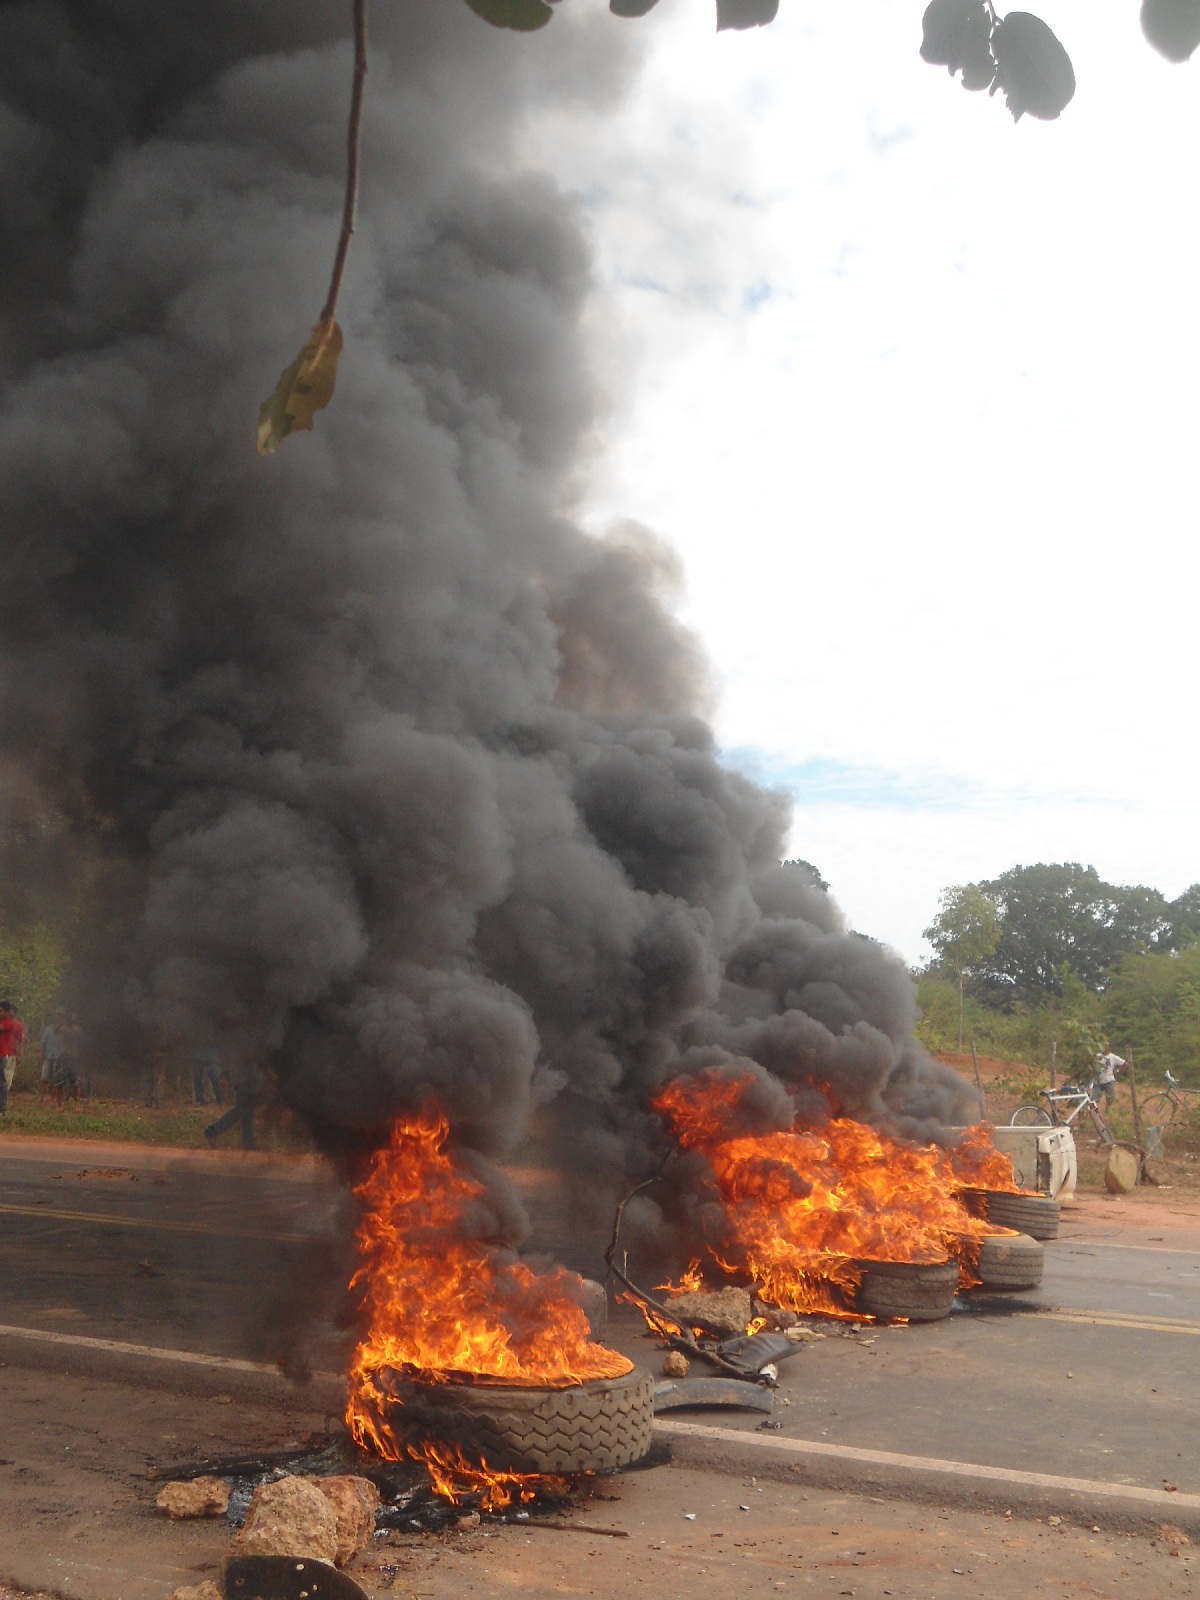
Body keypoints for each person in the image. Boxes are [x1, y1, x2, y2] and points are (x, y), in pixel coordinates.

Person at [204, 1058, 268, 1151]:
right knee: (240, 1111)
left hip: (247, 1081)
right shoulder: (249, 1048)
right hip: (245, 1082)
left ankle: (249, 1142)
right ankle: (212, 1131)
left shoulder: (245, 1047)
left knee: (247, 1112)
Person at [0, 1001, 25, 1115]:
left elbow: (20, 1040)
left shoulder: (10, 1023)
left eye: (1, 1011)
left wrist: (19, 1054)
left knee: (3, 1081)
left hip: (3, 1054)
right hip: (5, 1054)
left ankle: (3, 1108)